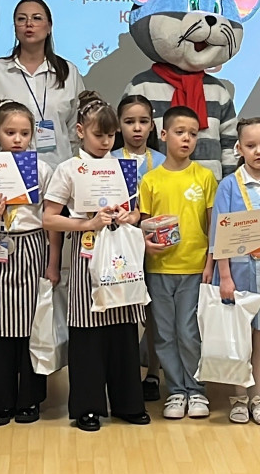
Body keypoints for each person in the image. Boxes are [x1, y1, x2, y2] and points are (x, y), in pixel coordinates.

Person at [43, 92, 149, 432]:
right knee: (87, 333)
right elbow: (49, 218)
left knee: (123, 329)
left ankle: (128, 404)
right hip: (85, 255)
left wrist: (129, 216)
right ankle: (87, 407)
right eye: (98, 134)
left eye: (110, 135)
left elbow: (136, 211)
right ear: (80, 131)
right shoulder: (68, 169)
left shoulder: (123, 167)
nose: (105, 142)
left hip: (120, 255)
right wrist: (87, 223)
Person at [0, 101, 59, 427]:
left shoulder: (43, 170)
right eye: (10, 132)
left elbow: (51, 221)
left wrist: (53, 262)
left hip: (32, 245)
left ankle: (29, 398)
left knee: (33, 323)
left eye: (24, 133)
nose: (17, 139)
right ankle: (0, 401)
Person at [210, 116, 260, 426]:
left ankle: (258, 396)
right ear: (239, 149)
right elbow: (219, 235)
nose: (258, 151)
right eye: (251, 145)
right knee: (239, 338)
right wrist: (225, 276)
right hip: (238, 274)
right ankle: (239, 397)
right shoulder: (228, 187)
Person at [139, 105, 217, 421]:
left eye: (193, 134)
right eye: (180, 132)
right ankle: (175, 391)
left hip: (194, 268)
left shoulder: (205, 177)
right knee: (164, 333)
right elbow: (143, 225)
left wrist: (210, 262)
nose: (186, 139)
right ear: (163, 134)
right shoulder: (150, 180)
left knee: (188, 331)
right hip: (159, 269)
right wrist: (147, 243)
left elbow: (213, 226)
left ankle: (196, 390)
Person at [0, 0, 85, 170]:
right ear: (15, 28)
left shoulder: (68, 73)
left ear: (49, 27)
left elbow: (75, 131)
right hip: (9, 173)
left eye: (37, 18)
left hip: (58, 173)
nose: (29, 24)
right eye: (21, 19)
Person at [113, 94, 166, 400]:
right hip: (119, 246)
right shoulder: (108, 161)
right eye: (129, 122)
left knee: (153, 310)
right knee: (123, 309)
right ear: (118, 125)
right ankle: (123, 372)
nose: (136, 128)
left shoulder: (162, 162)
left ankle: (153, 373)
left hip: (153, 245)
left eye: (143, 121)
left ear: (152, 126)